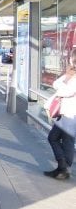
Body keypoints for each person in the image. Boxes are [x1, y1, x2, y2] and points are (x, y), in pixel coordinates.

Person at [44, 48, 76, 180]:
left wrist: (65, 82)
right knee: (63, 139)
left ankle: (63, 168)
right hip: (65, 113)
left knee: (55, 138)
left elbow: (66, 92)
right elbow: (55, 83)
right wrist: (67, 76)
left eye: (70, 58)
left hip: (71, 114)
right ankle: (63, 168)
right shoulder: (71, 74)